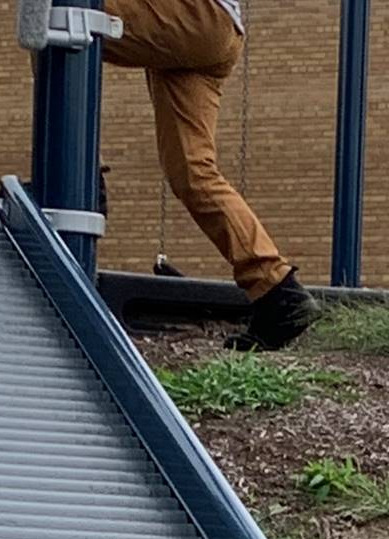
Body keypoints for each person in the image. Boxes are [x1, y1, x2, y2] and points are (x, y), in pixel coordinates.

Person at [101, 0, 317, 351]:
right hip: (217, 31)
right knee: (192, 173)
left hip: (194, 16)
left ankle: (80, 183)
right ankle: (279, 294)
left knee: (57, 18)